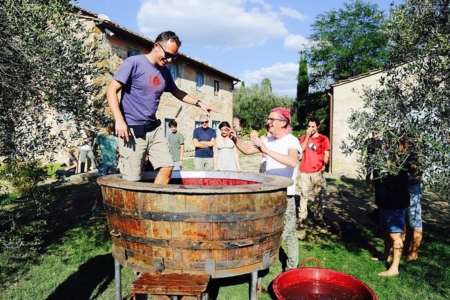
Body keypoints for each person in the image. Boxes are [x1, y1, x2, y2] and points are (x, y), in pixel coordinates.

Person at [106, 31, 214, 183]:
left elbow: (176, 91)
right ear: (156, 46)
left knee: (168, 167)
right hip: (132, 130)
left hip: (154, 128)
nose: (170, 59)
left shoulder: (165, 72)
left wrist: (199, 103)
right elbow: (111, 90)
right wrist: (119, 120)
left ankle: (151, 205)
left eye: (174, 57)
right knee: (132, 179)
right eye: (168, 54)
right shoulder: (133, 63)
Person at [228, 107, 302, 271]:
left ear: (283, 122)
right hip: (269, 195)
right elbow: (247, 150)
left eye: (271, 119)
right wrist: (235, 139)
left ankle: (291, 270)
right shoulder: (269, 141)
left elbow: (292, 161)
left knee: (287, 233)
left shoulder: (292, 141)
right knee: (269, 232)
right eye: (268, 119)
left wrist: (266, 151)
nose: (268, 122)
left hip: (285, 195)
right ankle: (264, 263)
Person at [370, 137, 410, 276]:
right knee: (387, 232)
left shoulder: (402, 163)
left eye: (392, 143)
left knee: (396, 235)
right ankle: (385, 255)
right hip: (385, 202)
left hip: (395, 204)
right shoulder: (384, 160)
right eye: (388, 143)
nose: (388, 145)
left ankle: (394, 268)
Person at [297, 118, 331, 228]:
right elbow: (300, 150)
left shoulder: (323, 138)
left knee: (318, 195)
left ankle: (318, 217)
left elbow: (326, 154)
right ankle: (302, 216)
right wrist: (307, 137)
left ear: (317, 127)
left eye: (313, 126)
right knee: (304, 194)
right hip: (305, 170)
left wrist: (324, 165)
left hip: (317, 170)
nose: (310, 128)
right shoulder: (303, 137)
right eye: (309, 126)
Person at [91, 126, 119, 214]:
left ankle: (109, 204)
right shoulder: (101, 137)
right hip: (104, 164)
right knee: (100, 185)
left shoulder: (115, 139)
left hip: (112, 164)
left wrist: (117, 159)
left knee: (110, 185)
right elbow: (94, 149)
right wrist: (98, 160)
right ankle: (95, 206)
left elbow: (118, 150)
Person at [404, 139, 424, 261]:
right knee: (407, 219)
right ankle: (407, 247)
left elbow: (416, 169)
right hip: (406, 187)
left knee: (415, 220)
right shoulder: (406, 152)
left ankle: (414, 253)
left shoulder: (417, 154)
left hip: (414, 187)